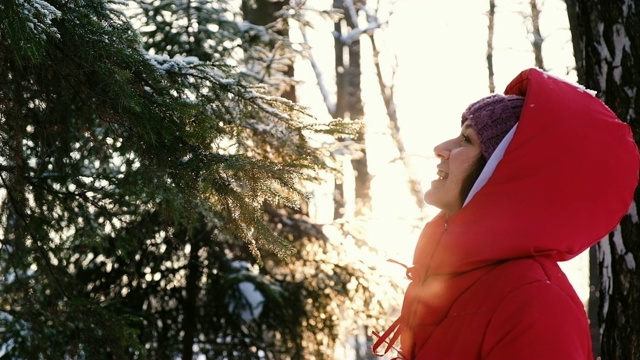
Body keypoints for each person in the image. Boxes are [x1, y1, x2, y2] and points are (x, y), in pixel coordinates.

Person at [371, 68, 639, 359]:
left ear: (503, 172)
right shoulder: (455, 275)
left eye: (467, 140)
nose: (440, 148)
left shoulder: (535, 302)